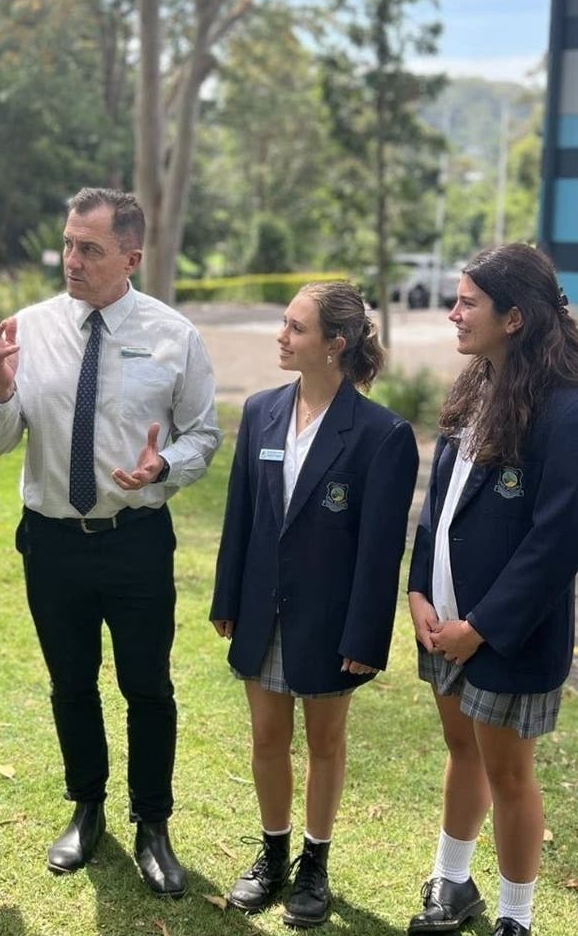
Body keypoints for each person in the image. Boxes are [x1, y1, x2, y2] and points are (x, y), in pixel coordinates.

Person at [0, 187, 221, 898]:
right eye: (68, 243)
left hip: (137, 536)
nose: (71, 260)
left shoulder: (175, 335)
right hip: (51, 542)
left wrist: (162, 466)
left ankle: (153, 823)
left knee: (148, 687)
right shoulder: (30, 328)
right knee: (70, 682)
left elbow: (203, 432)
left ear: (131, 257)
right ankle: (88, 807)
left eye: (91, 248)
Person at [210, 281, 419, 928]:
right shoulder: (262, 410)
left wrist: (365, 636)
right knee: (268, 735)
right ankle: (272, 855)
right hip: (260, 606)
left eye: (296, 328)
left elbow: (379, 555)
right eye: (284, 323)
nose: (282, 335)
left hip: (331, 621)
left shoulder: (382, 435)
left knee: (325, 742)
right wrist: (227, 596)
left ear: (335, 344)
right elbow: (241, 514)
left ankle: (315, 862)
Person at [407, 243, 578, 936]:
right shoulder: (475, 388)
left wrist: (479, 626)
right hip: (443, 620)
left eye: (468, 301)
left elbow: (556, 540)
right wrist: (419, 592)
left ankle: (516, 918)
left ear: (513, 317)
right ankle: (453, 884)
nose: (453, 313)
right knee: (462, 752)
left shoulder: (565, 411)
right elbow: (436, 507)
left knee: (510, 776)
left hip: (508, 631)